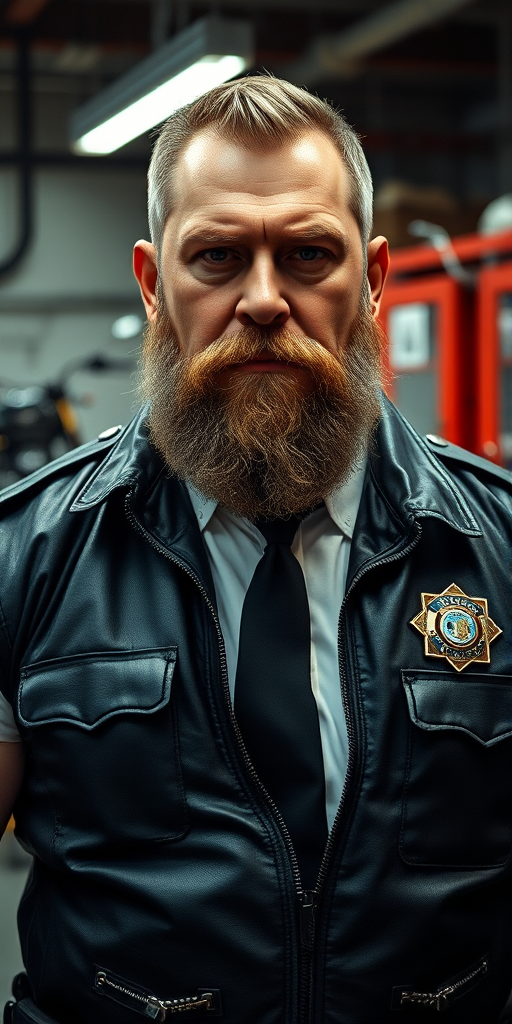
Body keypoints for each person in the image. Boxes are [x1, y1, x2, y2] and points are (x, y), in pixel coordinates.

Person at [1, 75, 512, 1024]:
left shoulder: (499, 552)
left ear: (372, 279)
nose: (265, 300)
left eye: (311, 254)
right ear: (155, 286)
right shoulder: (25, 562)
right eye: (220, 257)